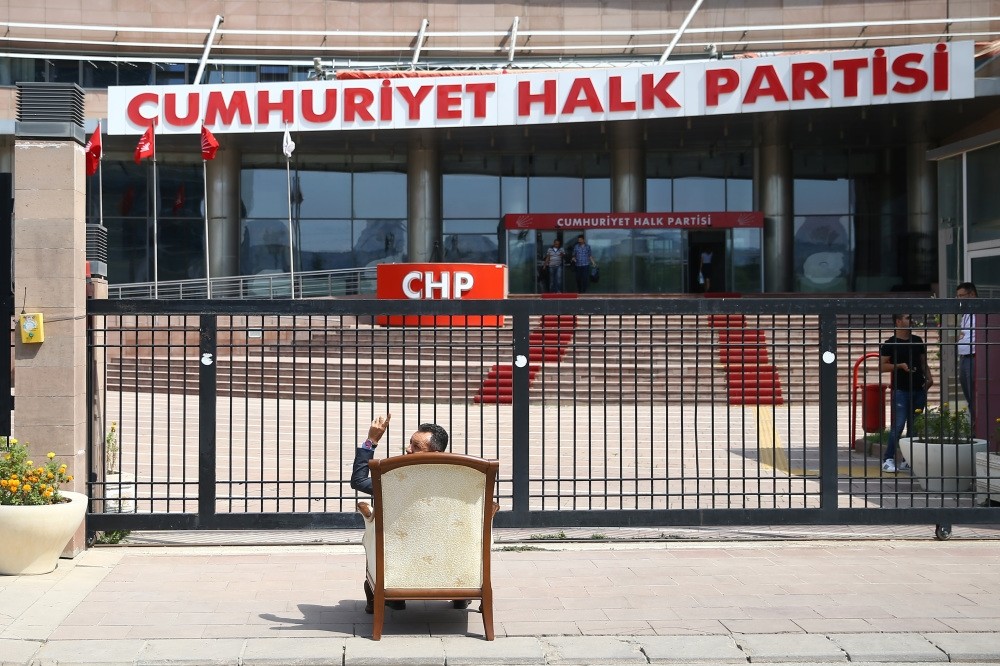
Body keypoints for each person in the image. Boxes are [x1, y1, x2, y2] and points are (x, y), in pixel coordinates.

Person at [350, 414, 469, 612]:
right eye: (409, 443)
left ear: (435, 452)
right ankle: (460, 593)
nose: (407, 449)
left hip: (401, 558)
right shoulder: (463, 481)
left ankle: (394, 595)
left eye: (415, 446)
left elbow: (358, 481)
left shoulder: (393, 480)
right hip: (450, 557)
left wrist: (371, 442)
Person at [879, 314, 934, 473]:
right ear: (898, 321)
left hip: (918, 388)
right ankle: (888, 459)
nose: (911, 320)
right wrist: (900, 366)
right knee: (898, 425)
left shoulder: (917, 340)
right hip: (901, 389)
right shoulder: (890, 343)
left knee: (914, 427)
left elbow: (923, 363)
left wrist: (930, 379)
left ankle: (907, 460)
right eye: (907, 317)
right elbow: (882, 366)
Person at [956, 282, 977, 425]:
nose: (959, 299)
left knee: (973, 394)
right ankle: (974, 425)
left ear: (972, 294)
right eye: (957, 296)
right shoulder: (965, 314)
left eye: (962, 296)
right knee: (968, 393)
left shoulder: (980, 312)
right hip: (964, 356)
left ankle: (978, 425)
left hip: (974, 356)